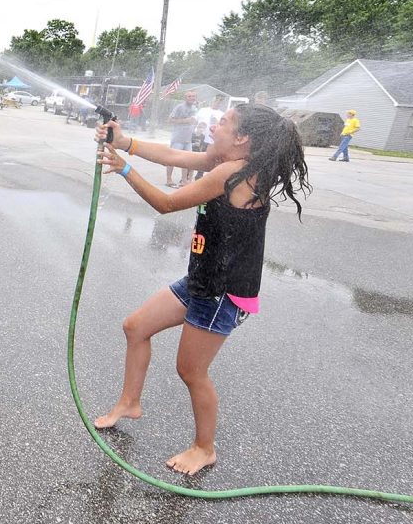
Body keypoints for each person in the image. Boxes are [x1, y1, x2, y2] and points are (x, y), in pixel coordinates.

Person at [92, 104, 311, 475]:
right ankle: (130, 402)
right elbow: (176, 155)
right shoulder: (226, 162)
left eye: (223, 123)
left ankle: (204, 448)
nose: (213, 127)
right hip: (203, 278)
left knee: (191, 371)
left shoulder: (234, 173)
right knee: (136, 327)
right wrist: (126, 142)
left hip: (222, 291)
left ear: (242, 138)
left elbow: (166, 203)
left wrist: (124, 167)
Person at [166, 90, 199, 187]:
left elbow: (194, 122)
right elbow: (170, 120)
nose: (192, 98)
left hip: (188, 140)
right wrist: (185, 120)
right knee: (172, 159)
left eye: (193, 96)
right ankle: (169, 179)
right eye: (189, 96)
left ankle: (184, 180)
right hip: (178, 138)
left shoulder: (195, 108)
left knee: (187, 161)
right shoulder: (179, 107)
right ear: (185, 98)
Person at [192, 95, 226, 179]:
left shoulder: (222, 114)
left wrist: (217, 122)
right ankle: (188, 176)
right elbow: (195, 122)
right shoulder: (203, 110)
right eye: (216, 100)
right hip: (199, 137)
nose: (217, 102)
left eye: (220, 101)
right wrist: (194, 133)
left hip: (211, 140)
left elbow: (223, 128)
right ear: (213, 100)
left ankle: (199, 175)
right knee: (194, 156)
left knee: (206, 158)